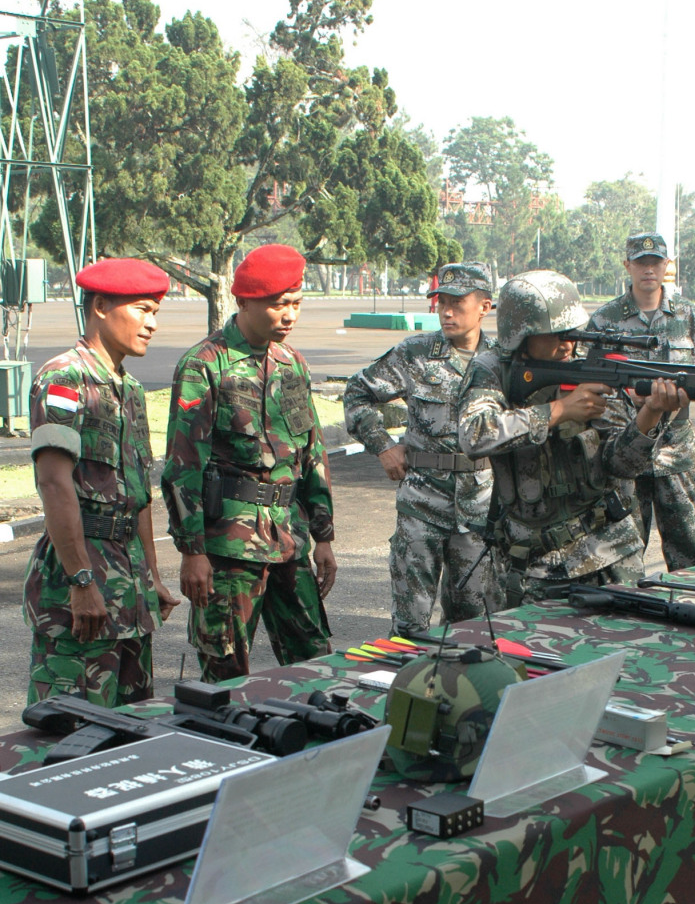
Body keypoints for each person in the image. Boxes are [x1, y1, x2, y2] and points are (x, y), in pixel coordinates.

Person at [457, 269, 688, 605]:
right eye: (555, 335)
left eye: (572, 333)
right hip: (530, 565)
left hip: (609, 557)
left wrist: (651, 413)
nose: (568, 344)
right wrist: (559, 411)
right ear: (521, 335)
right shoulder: (492, 370)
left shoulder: (591, 372)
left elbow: (622, 465)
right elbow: (474, 435)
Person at [162, 244, 335, 682]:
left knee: (315, 662)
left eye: (296, 303)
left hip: (289, 539)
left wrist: (325, 537)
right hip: (228, 549)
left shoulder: (292, 363)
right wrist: (192, 551)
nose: (289, 315)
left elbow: (311, 453)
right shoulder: (205, 365)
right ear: (243, 301)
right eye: (278, 304)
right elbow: (184, 467)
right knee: (225, 674)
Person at [23, 258, 179, 708]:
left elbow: (138, 495)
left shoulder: (128, 389)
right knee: (68, 735)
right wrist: (81, 580)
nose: (152, 324)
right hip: (81, 586)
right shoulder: (64, 379)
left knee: (130, 732)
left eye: (156, 314)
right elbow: (54, 484)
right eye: (143, 310)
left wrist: (151, 577)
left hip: (127, 590)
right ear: (101, 305)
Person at [343, 261, 503, 635]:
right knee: (410, 626)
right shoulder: (415, 354)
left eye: (457, 303)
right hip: (422, 508)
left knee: (473, 626)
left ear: (484, 306)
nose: (446, 312)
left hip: (480, 510)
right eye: (441, 302)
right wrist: (383, 445)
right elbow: (357, 393)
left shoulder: (501, 361)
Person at [589, 232, 695, 571]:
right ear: (627, 265)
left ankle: (694, 610)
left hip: (675, 451)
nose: (649, 270)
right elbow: (591, 382)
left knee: (690, 551)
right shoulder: (604, 320)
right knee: (623, 554)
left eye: (656, 262)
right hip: (625, 450)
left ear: (667, 266)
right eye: (641, 263)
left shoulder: (688, 316)